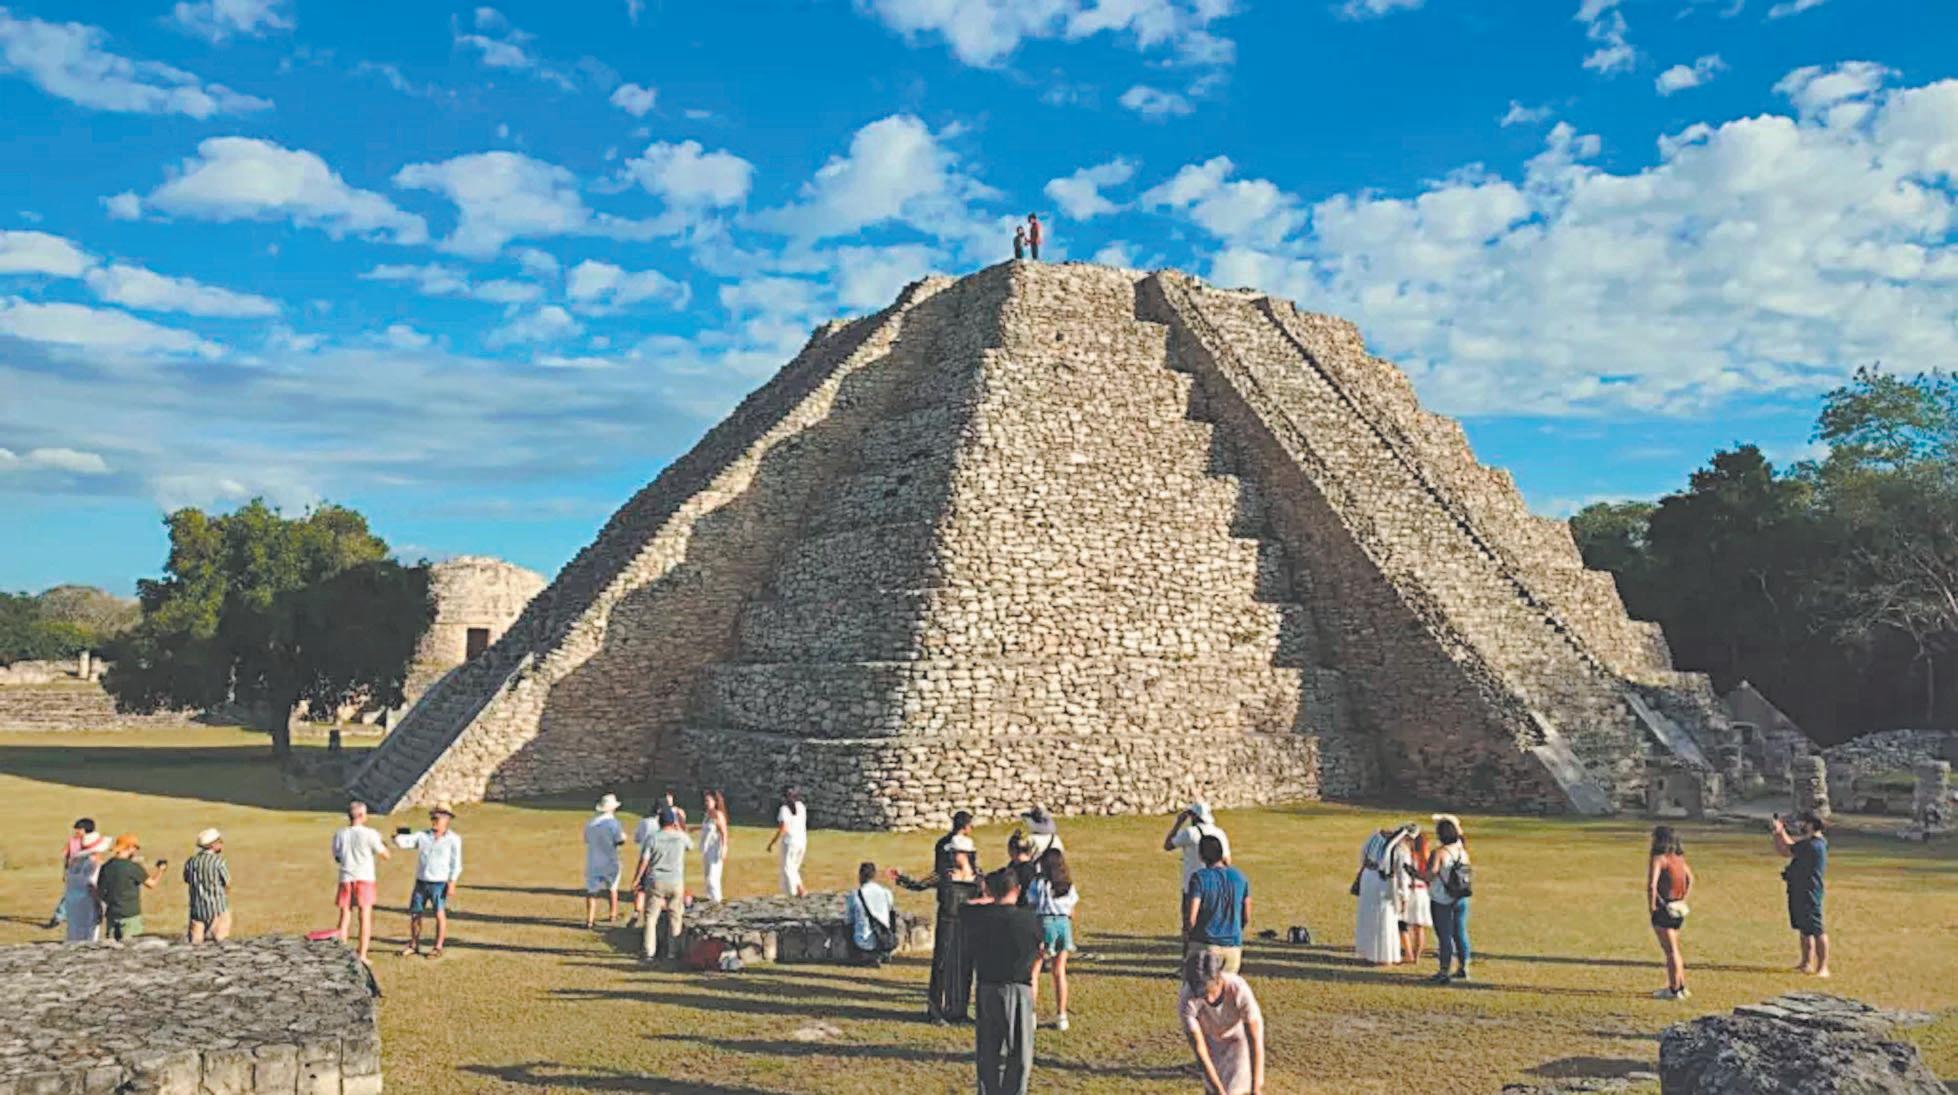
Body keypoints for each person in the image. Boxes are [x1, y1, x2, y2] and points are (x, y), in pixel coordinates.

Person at [962, 868, 1043, 1095]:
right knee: (1019, 1051)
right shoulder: (1028, 919)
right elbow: (1040, 949)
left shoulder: (977, 918)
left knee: (988, 1051)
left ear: (989, 891)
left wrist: (987, 899)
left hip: (987, 987)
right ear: (1017, 889)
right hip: (1019, 988)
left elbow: (965, 907)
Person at [895, 810, 982, 1022]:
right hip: (948, 919)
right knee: (942, 964)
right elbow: (920, 884)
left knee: (964, 966)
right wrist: (901, 879)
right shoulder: (945, 874)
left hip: (967, 922)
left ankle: (958, 1010)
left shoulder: (977, 877)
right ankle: (936, 1010)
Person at [1180, 948, 1267, 1095]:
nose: (1208, 999)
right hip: (1210, 1039)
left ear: (1219, 978)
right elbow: (1200, 1050)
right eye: (1202, 995)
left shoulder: (1238, 989)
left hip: (1239, 1037)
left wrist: (1256, 1089)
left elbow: (1254, 1040)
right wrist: (1218, 1091)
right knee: (1212, 1088)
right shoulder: (1188, 998)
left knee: (1233, 1088)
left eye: (1210, 991)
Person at [394, 803, 463, 958]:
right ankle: (414, 944)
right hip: (422, 881)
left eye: (438, 817)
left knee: (439, 914)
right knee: (415, 914)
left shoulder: (454, 839)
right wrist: (398, 836)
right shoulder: (423, 836)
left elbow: (456, 863)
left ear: (447, 819)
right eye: (433, 817)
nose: (434, 820)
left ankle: (438, 947)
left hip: (439, 883)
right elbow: (405, 842)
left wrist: (452, 882)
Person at [631, 807, 693, 962]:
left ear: (659, 822)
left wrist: (637, 878)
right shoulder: (680, 837)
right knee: (675, 916)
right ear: (673, 822)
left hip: (656, 880)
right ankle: (673, 952)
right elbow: (690, 846)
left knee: (651, 917)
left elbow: (644, 861)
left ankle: (649, 951)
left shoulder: (653, 838)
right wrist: (679, 829)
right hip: (675, 881)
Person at [1027, 846, 1079, 1031]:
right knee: (1059, 971)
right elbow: (1072, 911)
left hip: (1044, 922)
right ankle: (1061, 1015)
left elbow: (1032, 904)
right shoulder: (1067, 885)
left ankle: (1031, 1015)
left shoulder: (1039, 883)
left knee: (1034, 971)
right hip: (1063, 924)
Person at [332, 801, 390, 962]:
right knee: (364, 917)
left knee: (345, 917)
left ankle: (342, 953)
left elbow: (337, 856)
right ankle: (362, 954)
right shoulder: (370, 833)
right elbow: (385, 855)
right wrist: (382, 843)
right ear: (362, 816)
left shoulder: (340, 834)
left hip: (346, 877)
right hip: (365, 878)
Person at [1773, 811, 1829, 978]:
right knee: (1804, 928)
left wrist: (1778, 832)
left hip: (1809, 890)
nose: (1801, 825)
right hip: (1799, 888)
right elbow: (1793, 846)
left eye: (1804, 822)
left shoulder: (1812, 845)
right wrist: (1781, 832)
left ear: (1811, 825)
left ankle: (1823, 968)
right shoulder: (1813, 843)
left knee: (1816, 929)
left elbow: (1786, 850)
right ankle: (1806, 963)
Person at [1185, 834, 1250, 974]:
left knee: (1199, 987)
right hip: (1233, 948)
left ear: (1201, 856)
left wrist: (1189, 937)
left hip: (1205, 944)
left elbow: (1191, 918)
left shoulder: (1199, 878)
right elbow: (1246, 916)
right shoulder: (1240, 877)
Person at [1164, 802, 1231, 927]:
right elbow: (1227, 861)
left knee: (1189, 923)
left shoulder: (1190, 833)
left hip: (1192, 884)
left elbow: (1168, 845)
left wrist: (1178, 823)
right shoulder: (1219, 833)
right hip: (1215, 884)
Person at [1648, 825, 1694, 999]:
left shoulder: (1659, 859)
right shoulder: (1679, 858)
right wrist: (1683, 898)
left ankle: (1674, 989)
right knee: (1675, 949)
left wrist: (1652, 906)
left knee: (1670, 951)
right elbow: (1690, 878)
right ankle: (1680, 985)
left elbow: (1652, 885)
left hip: (1665, 907)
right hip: (1678, 907)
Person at [1354, 824, 1410, 966]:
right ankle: (1385, 956)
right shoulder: (1400, 849)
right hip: (1385, 884)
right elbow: (1403, 875)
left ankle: (1369, 952)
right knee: (1386, 919)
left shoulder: (1374, 838)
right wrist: (1404, 897)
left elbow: (1363, 856)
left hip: (1368, 879)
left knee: (1368, 916)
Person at [1426, 813, 1472, 984]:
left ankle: (1444, 970)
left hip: (1441, 898)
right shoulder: (1462, 851)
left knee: (1444, 935)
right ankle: (1464, 966)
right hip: (1460, 896)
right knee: (1460, 932)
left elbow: (1430, 875)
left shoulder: (1439, 852)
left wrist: (1414, 873)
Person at [97, 833, 164, 942]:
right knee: (132, 947)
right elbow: (151, 884)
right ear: (129, 848)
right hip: (130, 915)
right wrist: (160, 870)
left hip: (112, 914)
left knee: (111, 948)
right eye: (135, 848)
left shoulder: (106, 867)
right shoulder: (132, 867)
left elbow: (100, 891)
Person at [584, 793, 627, 929]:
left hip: (593, 861)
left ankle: (590, 919)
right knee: (612, 888)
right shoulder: (614, 823)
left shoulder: (590, 823)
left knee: (592, 891)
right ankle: (613, 914)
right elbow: (619, 840)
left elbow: (587, 839)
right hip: (610, 859)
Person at [61, 831, 112, 942]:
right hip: (88, 902)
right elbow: (92, 885)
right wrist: (99, 904)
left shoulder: (74, 863)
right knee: (89, 935)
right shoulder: (92, 865)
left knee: (74, 932)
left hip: (73, 900)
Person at [183, 828, 231, 943]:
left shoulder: (191, 862)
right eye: (220, 841)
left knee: (196, 944)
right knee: (220, 942)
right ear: (213, 845)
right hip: (217, 908)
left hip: (196, 909)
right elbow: (227, 883)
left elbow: (187, 879)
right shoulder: (218, 862)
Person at [846, 861, 898, 965]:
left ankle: (858, 956)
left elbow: (849, 920)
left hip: (862, 942)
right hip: (884, 940)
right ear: (874, 875)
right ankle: (882, 953)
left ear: (860, 876)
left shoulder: (855, 895)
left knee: (848, 927)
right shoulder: (886, 892)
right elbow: (891, 913)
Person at [46, 817, 95, 928]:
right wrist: (65, 872)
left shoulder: (93, 842)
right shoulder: (73, 842)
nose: (76, 831)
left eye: (79, 829)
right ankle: (58, 917)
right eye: (76, 829)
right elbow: (67, 857)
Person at [1397, 828, 1432, 966]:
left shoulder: (1409, 856)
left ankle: (1408, 953)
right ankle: (1416, 957)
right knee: (1419, 928)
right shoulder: (1426, 858)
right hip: (1423, 893)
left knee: (1402, 924)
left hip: (1411, 891)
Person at [765, 787, 808, 897]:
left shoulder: (784, 809)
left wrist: (772, 843)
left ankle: (792, 892)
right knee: (794, 868)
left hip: (790, 842)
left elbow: (783, 828)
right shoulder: (801, 806)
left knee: (788, 868)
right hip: (802, 841)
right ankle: (800, 889)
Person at [700, 790, 729, 903]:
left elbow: (724, 832)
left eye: (708, 801)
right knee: (707, 876)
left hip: (715, 849)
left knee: (713, 877)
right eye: (705, 801)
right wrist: (695, 828)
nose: (706, 803)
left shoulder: (718, 815)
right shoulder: (707, 814)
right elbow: (707, 827)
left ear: (715, 802)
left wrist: (724, 847)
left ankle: (717, 900)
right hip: (707, 848)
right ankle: (710, 899)